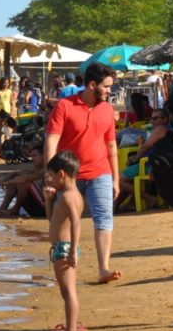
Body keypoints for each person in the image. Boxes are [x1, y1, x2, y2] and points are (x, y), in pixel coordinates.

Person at [45, 61, 121, 284]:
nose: (110, 91)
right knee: (65, 221)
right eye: (106, 87)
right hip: (68, 176)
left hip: (100, 172)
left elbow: (111, 147)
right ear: (91, 84)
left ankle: (104, 268)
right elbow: (52, 142)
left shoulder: (107, 110)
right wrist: (50, 176)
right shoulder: (64, 106)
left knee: (104, 218)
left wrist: (116, 178)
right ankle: (66, 266)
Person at [44, 150, 84, 331]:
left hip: (65, 248)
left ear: (61, 174)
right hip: (62, 248)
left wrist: (72, 250)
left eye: (51, 176)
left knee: (69, 292)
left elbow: (76, 223)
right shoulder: (66, 196)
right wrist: (48, 201)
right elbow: (52, 221)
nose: (49, 180)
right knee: (66, 292)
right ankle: (71, 327)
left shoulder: (69, 197)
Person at [116, 107, 171, 211]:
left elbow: (146, 146)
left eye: (156, 118)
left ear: (165, 119)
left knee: (119, 179)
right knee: (129, 178)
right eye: (151, 118)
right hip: (158, 162)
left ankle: (149, 198)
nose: (152, 121)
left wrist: (135, 157)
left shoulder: (161, 129)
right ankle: (123, 204)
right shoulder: (167, 129)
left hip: (151, 164)